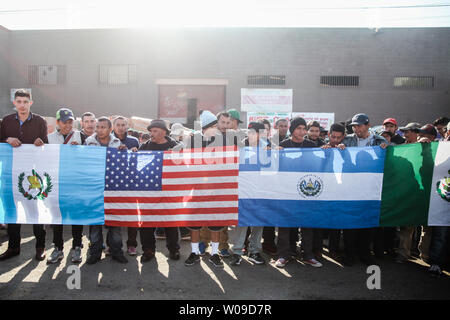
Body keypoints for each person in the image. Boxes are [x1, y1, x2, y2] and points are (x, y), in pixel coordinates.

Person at [0, 89, 48, 261]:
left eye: (25, 102)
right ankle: (13, 247)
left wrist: (40, 142)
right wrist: (7, 140)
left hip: (32, 174)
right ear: (14, 103)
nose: (22, 105)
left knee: (35, 211)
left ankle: (40, 247)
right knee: (12, 211)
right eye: (19, 101)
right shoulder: (5, 121)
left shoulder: (40, 121)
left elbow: (46, 145)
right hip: (9, 173)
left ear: (31, 103)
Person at [183, 110, 229, 268]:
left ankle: (215, 253)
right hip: (197, 188)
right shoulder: (193, 140)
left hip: (216, 188)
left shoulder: (224, 141)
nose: (216, 129)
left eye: (217, 126)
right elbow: (186, 162)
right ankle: (194, 252)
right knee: (195, 223)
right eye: (214, 126)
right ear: (204, 128)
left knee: (215, 222)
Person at [340, 113, 387, 266]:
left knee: (367, 221)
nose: (356, 128)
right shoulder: (347, 140)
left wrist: (385, 150)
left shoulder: (380, 140)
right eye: (354, 126)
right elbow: (335, 155)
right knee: (349, 222)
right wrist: (338, 148)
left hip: (370, 187)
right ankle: (349, 254)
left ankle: (365, 254)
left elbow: (390, 158)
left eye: (359, 125)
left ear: (368, 125)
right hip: (351, 187)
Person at [275, 117, 319, 268]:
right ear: (292, 130)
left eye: (304, 129)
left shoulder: (311, 145)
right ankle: (283, 255)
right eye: (299, 128)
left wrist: (327, 151)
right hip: (286, 190)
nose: (302, 131)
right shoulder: (283, 145)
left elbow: (317, 166)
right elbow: (276, 167)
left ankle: (307, 255)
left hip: (306, 191)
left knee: (307, 223)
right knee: (285, 223)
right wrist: (274, 152)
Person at [84, 117, 128, 264]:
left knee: (114, 223)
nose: (99, 129)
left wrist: (124, 152)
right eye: (98, 127)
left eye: (103, 127)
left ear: (110, 129)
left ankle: (116, 251)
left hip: (113, 187)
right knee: (95, 223)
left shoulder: (117, 143)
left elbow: (123, 166)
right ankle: (95, 253)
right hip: (94, 188)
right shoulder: (89, 142)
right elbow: (83, 161)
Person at [137, 119, 181, 263]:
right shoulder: (144, 146)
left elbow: (183, 166)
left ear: (164, 132)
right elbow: (138, 167)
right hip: (149, 192)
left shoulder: (175, 146)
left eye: (155, 131)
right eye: (151, 131)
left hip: (170, 191)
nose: (152, 134)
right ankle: (148, 251)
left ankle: (174, 250)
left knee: (171, 223)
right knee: (147, 223)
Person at [47, 108, 84, 264]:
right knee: (57, 217)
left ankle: (77, 247)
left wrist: (79, 150)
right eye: (64, 122)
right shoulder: (48, 138)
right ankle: (58, 248)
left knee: (76, 216)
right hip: (56, 182)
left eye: (70, 122)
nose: (68, 125)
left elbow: (88, 156)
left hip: (75, 182)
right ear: (57, 122)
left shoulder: (79, 136)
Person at [229, 122, 268, 266]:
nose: (251, 134)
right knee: (242, 221)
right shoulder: (239, 146)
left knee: (258, 221)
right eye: (249, 131)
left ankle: (255, 251)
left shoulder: (267, 147)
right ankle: (237, 252)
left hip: (260, 189)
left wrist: (278, 151)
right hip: (243, 189)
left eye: (254, 132)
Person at [112, 116, 140, 257]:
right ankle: (113, 245)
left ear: (127, 127)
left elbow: (139, 162)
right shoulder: (109, 140)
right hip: (113, 182)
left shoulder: (134, 141)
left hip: (130, 182)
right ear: (113, 126)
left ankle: (131, 245)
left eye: (124, 125)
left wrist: (135, 153)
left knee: (132, 215)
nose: (121, 127)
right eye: (118, 124)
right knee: (113, 215)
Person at [321, 123, 346, 260]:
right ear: (329, 135)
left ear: (343, 137)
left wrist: (345, 150)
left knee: (336, 221)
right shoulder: (322, 147)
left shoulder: (346, 148)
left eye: (338, 137)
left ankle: (333, 249)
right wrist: (322, 151)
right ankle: (318, 248)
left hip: (339, 189)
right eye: (333, 136)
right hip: (324, 189)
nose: (335, 140)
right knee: (321, 219)